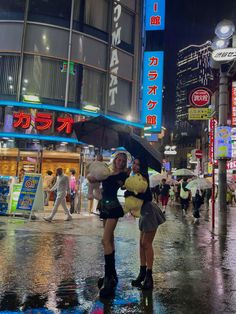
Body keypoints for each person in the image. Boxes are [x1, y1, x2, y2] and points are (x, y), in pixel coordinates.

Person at [125, 157, 165, 290]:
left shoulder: (144, 176)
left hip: (149, 212)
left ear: (142, 167)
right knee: (141, 244)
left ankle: (149, 276)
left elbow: (147, 196)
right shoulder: (135, 176)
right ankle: (142, 273)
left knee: (146, 243)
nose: (135, 166)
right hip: (143, 212)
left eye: (138, 164)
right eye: (134, 163)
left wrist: (131, 193)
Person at [93, 152, 129, 298]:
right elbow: (94, 178)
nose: (120, 162)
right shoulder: (108, 171)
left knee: (105, 240)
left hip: (113, 207)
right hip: (104, 206)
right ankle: (111, 274)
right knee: (110, 240)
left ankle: (108, 278)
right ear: (115, 160)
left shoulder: (122, 175)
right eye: (118, 160)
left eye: (123, 161)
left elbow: (124, 185)